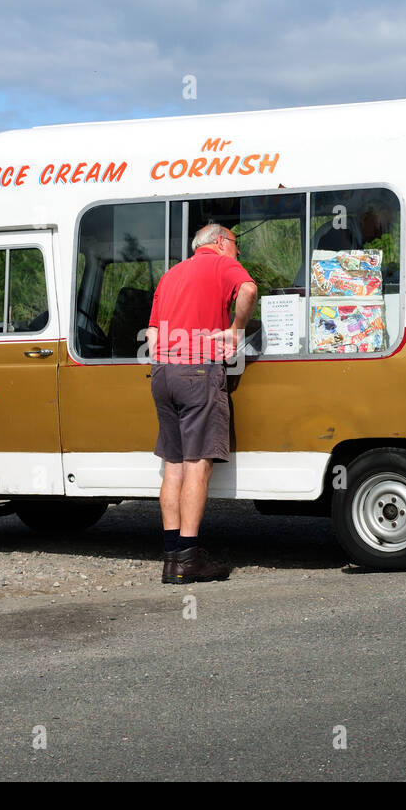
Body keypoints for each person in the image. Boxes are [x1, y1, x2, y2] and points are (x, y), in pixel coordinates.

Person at [145, 223, 258, 583]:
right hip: (197, 371)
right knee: (197, 464)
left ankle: (172, 559)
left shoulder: (171, 275)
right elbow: (249, 290)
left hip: (163, 373)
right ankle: (190, 557)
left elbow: (152, 333)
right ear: (221, 242)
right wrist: (236, 329)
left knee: (174, 464)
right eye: (236, 245)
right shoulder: (220, 263)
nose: (238, 252)